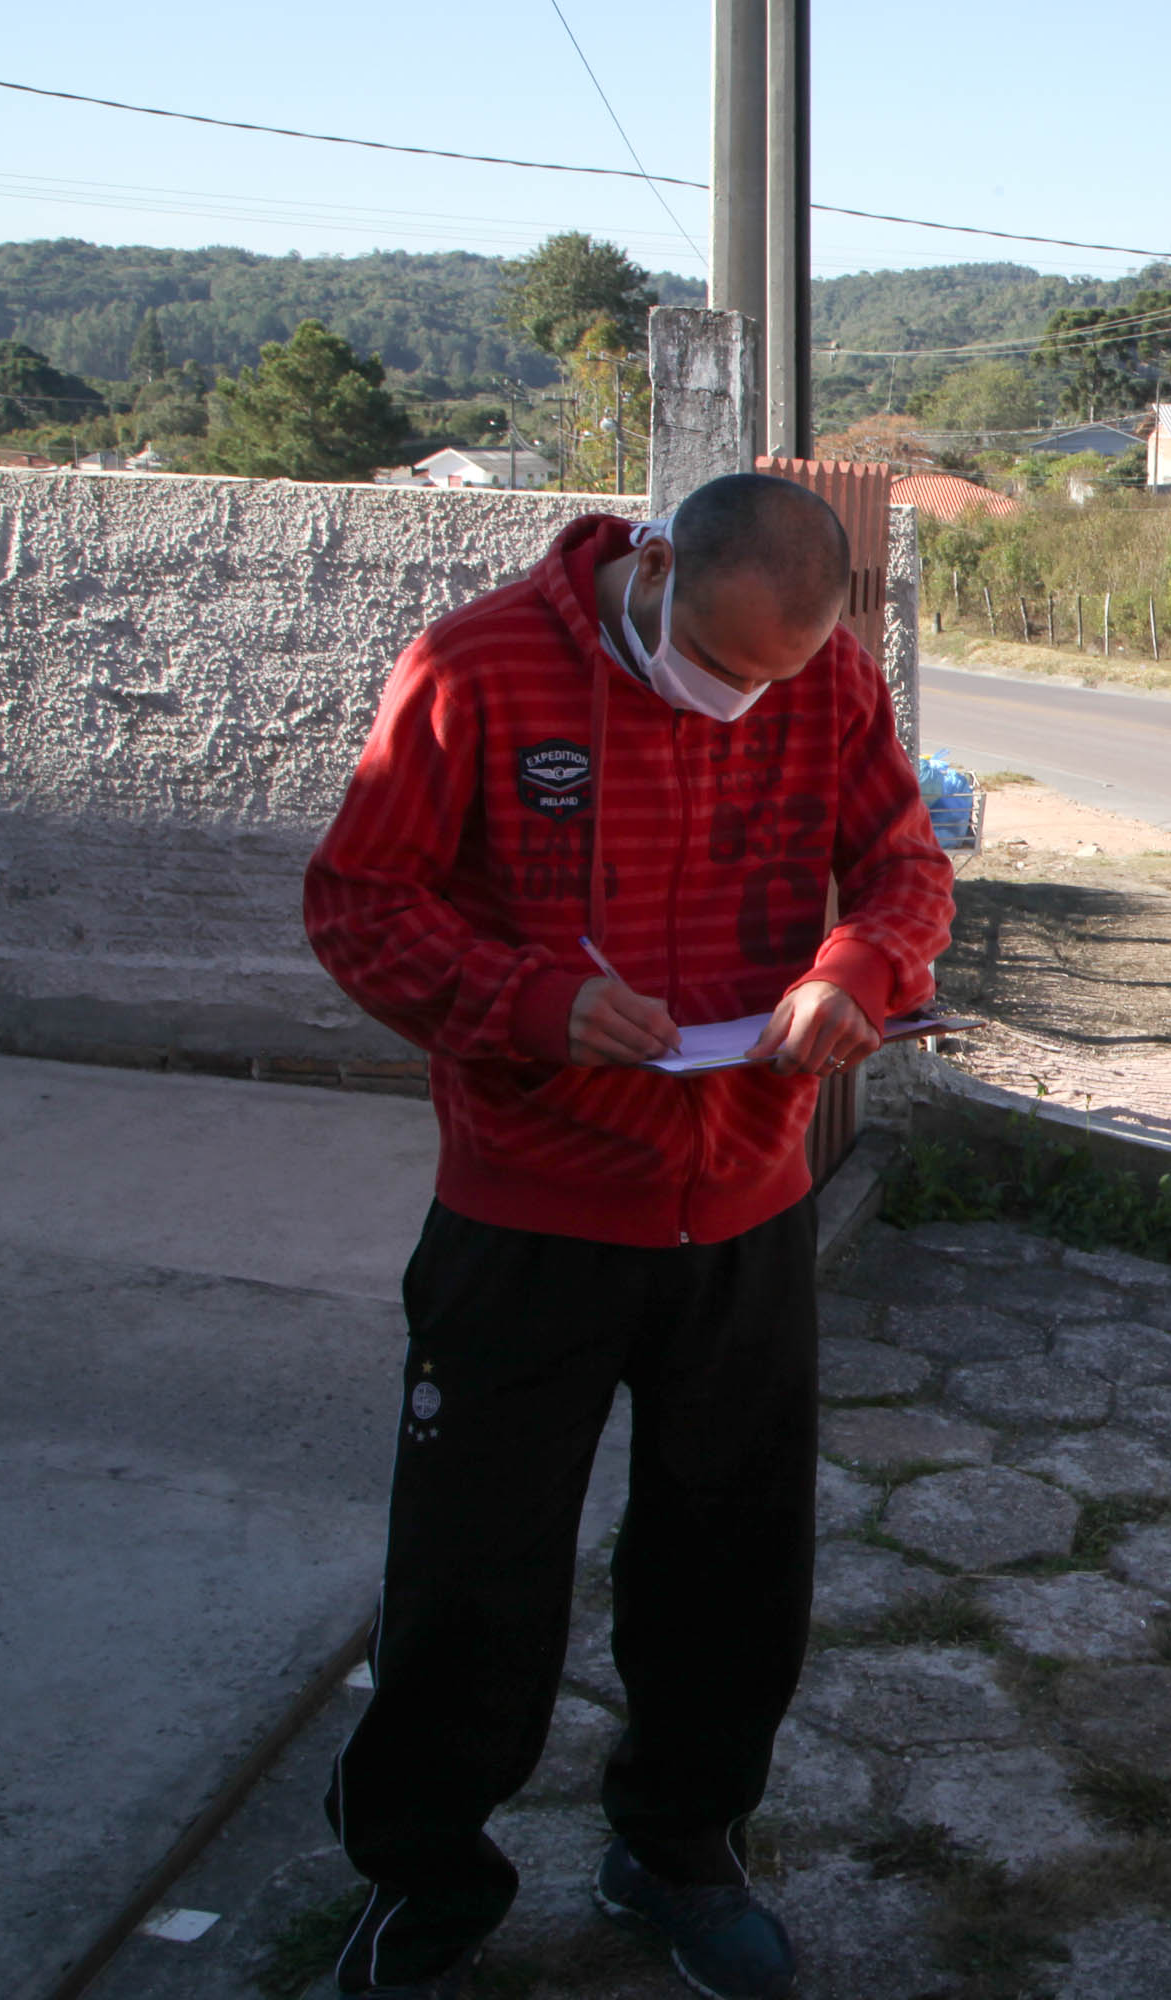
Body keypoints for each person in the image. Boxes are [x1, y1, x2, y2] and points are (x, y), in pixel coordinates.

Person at [301, 472, 954, 2000]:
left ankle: (677, 1848)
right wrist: (532, 1001)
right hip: (527, 1211)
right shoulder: (474, 669)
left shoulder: (826, 680)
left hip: (744, 1207)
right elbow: (360, 904)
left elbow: (904, 868)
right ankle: (424, 1885)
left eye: (775, 679)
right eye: (718, 666)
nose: (742, 702)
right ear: (652, 565)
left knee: (733, 1568)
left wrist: (859, 969)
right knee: (471, 1576)